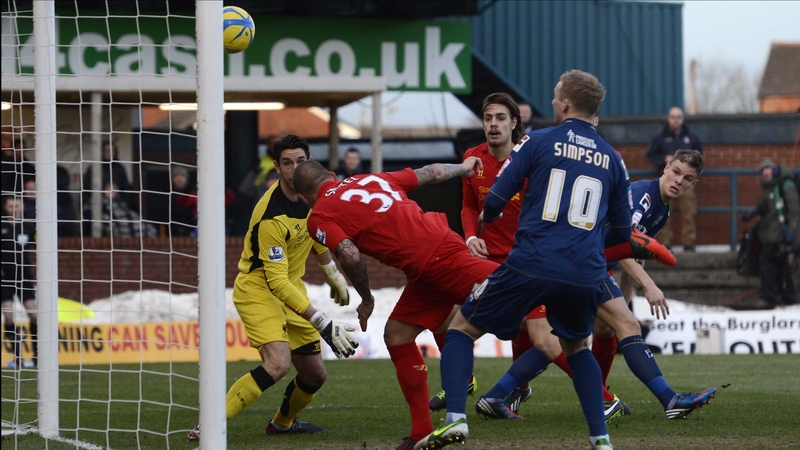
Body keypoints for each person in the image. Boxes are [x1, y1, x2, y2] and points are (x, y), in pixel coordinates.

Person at [415, 69, 632, 450]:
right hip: (585, 271)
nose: (551, 101)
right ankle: (601, 440)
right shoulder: (614, 160)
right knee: (577, 347)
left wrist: (491, 219)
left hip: (532, 261)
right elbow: (623, 234)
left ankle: (455, 420)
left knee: (461, 328)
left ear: (565, 103)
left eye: (554, 96)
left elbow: (495, 201)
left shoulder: (538, 141)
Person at [477, 149, 717, 425]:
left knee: (578, 337)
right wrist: (649, 286)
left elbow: (633, 251)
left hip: (585, 262)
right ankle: (667, 399)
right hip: (583, 261)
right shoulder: (643, 196)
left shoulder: (661, 208)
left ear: (693, 184)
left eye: (687, 178)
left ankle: (498, 395)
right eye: (676, 172)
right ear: (666, 167)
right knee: (622, 328)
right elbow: (627, 245)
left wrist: (625, 301)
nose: (679, 180)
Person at [293, 156, 494, 450]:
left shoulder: (319, 216)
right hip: (429, 261)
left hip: (438, 260)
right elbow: (433, 172)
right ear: (333, 175)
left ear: (303, 197)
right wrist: (464, 168)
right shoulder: (370, 178)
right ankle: (421, 431)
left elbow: (350, 255)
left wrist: (366, 297)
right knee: (397, 335)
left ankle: (573, 293)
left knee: (523, 288)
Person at [187, 134, 357, 442]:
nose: (295, 169)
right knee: (278, 363)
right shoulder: (271, 216)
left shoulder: (315, 196)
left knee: (315, 375)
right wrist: (322, 322)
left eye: (301, 161)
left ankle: (282, 423)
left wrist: (331, 272)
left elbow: (316, 230)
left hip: (291, 287)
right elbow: (275, 282)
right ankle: (209, 424)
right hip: (259, 289)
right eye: (287, 163)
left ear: (310, 163)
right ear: (277, 168)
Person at [428, 92, 537, 413]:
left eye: (500, 118)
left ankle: (520, 385)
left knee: (533, 330)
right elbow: (468, 205)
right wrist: (471, 236)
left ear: (514, 123)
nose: (493, 124)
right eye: (488, 118)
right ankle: (460, 381)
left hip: (522, 259)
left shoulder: (528, 158)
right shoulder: (472, 159)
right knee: (444, 315)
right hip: (482, 258)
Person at [645, 107, 703, 251]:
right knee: (663, 213)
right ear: (668, 118)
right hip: (665, 182)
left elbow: (700, 157)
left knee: (688, 212)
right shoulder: (659, 138)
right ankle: (665, 243)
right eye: (673, 117)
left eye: (679, 117)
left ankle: (688, 243)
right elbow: (650, 156)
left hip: (686, 183)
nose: (676, 120)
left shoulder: (691, 138)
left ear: (683, 119)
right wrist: (663, 159)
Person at [744, 158, 799, 308]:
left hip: (778, 235)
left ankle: (769, 298)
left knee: (766, 263)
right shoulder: (768, 188)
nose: (765, 173)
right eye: (762, 171)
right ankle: (789, 297)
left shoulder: (785, 185)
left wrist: (791, 233)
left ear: (773, 169)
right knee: (782, 266)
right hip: (769, 234)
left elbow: (794, 210)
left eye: (767, 169)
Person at [1, 196, 38, 368]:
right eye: (11, 206)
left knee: (33, 313)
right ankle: (18, 358)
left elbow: (38, 247)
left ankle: (38, 356)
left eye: (17, 206)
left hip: (23, 276)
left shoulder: (28, 227)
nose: (14, 209)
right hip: (4, 278)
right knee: (8, 315)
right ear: (6, 208)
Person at [83, 182, 158, 238]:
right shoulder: (99, 202)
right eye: (109, 189)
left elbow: (128, 212)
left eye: (114, 189)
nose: (111, 191)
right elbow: (88, 209)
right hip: (110, 217)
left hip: (124, 218)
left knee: (140, 223)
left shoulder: (121, 202)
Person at [82, 141, 136, 209]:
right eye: (107, 150)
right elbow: (87, 189)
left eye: (112, 150)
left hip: (118, 205)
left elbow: (126, 188)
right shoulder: (94, 168)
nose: (110, 153)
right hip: (97, 206)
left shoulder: (119, 168)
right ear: (102, 152)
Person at [1, 131, 35, 197]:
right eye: (19, 148)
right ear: (13, 148)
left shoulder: (26, 164)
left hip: (22, 195)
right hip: (7, 194)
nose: (21, 150)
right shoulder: (6, 163)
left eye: (24, 148)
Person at [169, 165, 195, 237]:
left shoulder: (192, 194)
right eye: (176, 176)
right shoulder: (167, 195)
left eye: (182, 176)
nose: (179, 178)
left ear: (186, 178)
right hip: (173, 231)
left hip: (190, 229)